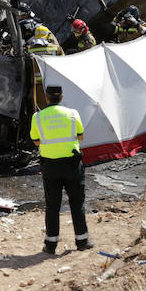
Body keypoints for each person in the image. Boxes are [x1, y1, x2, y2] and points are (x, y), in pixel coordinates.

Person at [30, 85, 92, 254]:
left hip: (50, 166)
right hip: (72, 164)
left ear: (47, 97)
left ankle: (50, 245)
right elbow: (81, 136)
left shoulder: (38, 117)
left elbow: (36, 141)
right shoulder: (73, 114)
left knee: (52, 205)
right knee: (77, 202)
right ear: (62, 97)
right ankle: (82, 241)